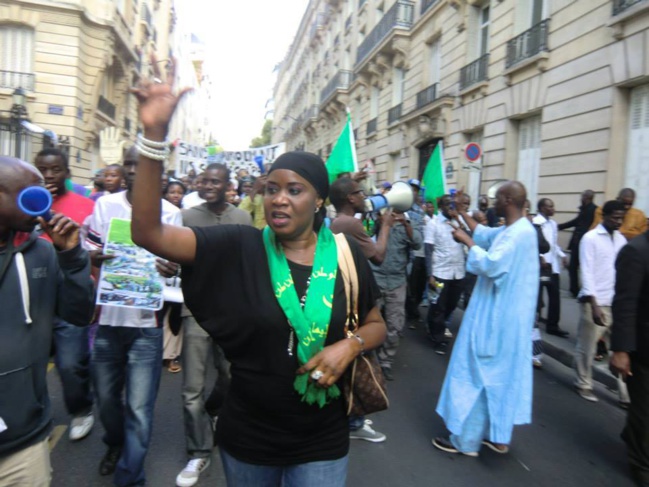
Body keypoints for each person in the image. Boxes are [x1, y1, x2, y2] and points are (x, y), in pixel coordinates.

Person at [129, 65, 386, 486]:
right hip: (249, 435)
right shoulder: (240, 246)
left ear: (319, 200)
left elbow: (376, 324)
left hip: (322, 438)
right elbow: (148, 233)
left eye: (294, 190)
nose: (279, 200)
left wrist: (349, 347)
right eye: (271, 189)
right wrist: (154, 134)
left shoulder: (345, 254)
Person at [85, 146, 183, 487]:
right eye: (128, 164)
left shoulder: (170, 213)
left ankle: (130, 476)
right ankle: (114, 443)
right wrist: (95, 258)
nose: (133, 170)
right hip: (108, 321)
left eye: (141, 165)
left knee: (140, 410)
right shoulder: (104, 206)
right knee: (107, 399)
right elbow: (89, 251)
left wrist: (168, 268)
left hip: (147, 327)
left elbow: (175, 271)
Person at [0, 157, 93, 486]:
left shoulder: (42, 253)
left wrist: (72, 257)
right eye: (31, 194)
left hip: (24, 442)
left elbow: (79, 314)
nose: (44, 202)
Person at [432, 182, 539, 457]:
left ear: (507, 199)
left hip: (496, 319)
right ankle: (498, 435)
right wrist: (463, 216)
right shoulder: (515, 229)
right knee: (503, 377)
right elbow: (486, 235)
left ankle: (464, 441)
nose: (492, 202)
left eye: (496, 197)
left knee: (476, 374)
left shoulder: (518, 235)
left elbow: (491, 264)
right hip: (508, 321)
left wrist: (466, 242)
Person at [175, 163, 252, 487]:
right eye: (203, 180)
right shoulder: (188, 217)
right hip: (195, 313)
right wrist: (171, 266)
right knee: (191, 389)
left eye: (214, 181)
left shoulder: (243, 219)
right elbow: (182, 261)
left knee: (233, 377)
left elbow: (251, 264)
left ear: (227, 185)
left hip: (233, 315)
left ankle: (216, 412)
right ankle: (199, 451)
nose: (207, 185)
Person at [33, 148, 96, 441]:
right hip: (32, 301)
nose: (48, 176)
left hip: (70, 297)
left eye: (55, 169)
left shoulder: (86, 205)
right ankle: (34, 417)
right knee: (30, 365)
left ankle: (81, 409)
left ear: (66, 172)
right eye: (42, 170)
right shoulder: (23, 205)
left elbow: (96, 248)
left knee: (71, 364)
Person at [574, 200, 629, 405]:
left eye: (621, 218)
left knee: (621, 349)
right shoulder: (590, 238)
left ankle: (626, 395)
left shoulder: (621, 240)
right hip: (594, 302)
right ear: (604, 216)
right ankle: (584, 383)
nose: (618, 222)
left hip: (616, 302)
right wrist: (594, 304)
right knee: (587, 347)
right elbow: (586, 272)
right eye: (615, 218)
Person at [610, 229, 649, 486]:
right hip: (643, 348)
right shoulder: (636, 251)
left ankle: (632, 434)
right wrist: (621, 350)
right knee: (646, 412)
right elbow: (625, 303)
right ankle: (642, 465)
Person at [425, 194, 466, 355]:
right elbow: (428, 251)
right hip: (440, 272)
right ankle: (438, 338)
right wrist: (430, 275)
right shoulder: (433, 224)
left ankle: (434, 323)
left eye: (453, 205)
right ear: (441, 207)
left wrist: (460, 221)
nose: (452, 208)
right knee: (438, 306)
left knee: (451, 304)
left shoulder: (457, 222)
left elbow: (469, 238)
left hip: (458, 273)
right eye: (448, 205)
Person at [533, 198, 570, 338]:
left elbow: (553, 244)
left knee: (555, 297)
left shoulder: (553, 224)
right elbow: (534, 242)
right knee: (537, 296)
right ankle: (534, 322)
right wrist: (540, 256)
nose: (553, 208)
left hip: (553, 266)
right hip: (541, 266)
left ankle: (553, 325)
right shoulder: (536, 223)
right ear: (542, 208)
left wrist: (562, 255)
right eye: (550, 206)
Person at [161, 180, 187, 373]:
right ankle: (158, 353)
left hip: (178, 274)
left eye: (179, 192)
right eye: (172, 192)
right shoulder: (159, 214)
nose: (176, 195)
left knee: (175, 315)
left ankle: (171, 356)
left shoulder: (186, 216)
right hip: (159, 272)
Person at [558, 190, 597, 297]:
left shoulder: (594, 210)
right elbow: (575, 222)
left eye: (582, 197)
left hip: (584, 243)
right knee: (573, 267)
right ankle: (574, 290)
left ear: (587, 198)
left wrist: (559, 226)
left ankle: (581, 291)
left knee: (582, 267)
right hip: (577, 242)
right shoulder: (584, 209)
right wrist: (559, 226)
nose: (581, 199)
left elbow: (579, 223)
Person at [405, 179, 427, 321]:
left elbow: (418, 234)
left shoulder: (420, 211)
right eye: (411, 188)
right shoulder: (398, 206)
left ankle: (410, 311)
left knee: (411, 284)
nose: (414, 192)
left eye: (416, 190)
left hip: (412, 254)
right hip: (397, 252)